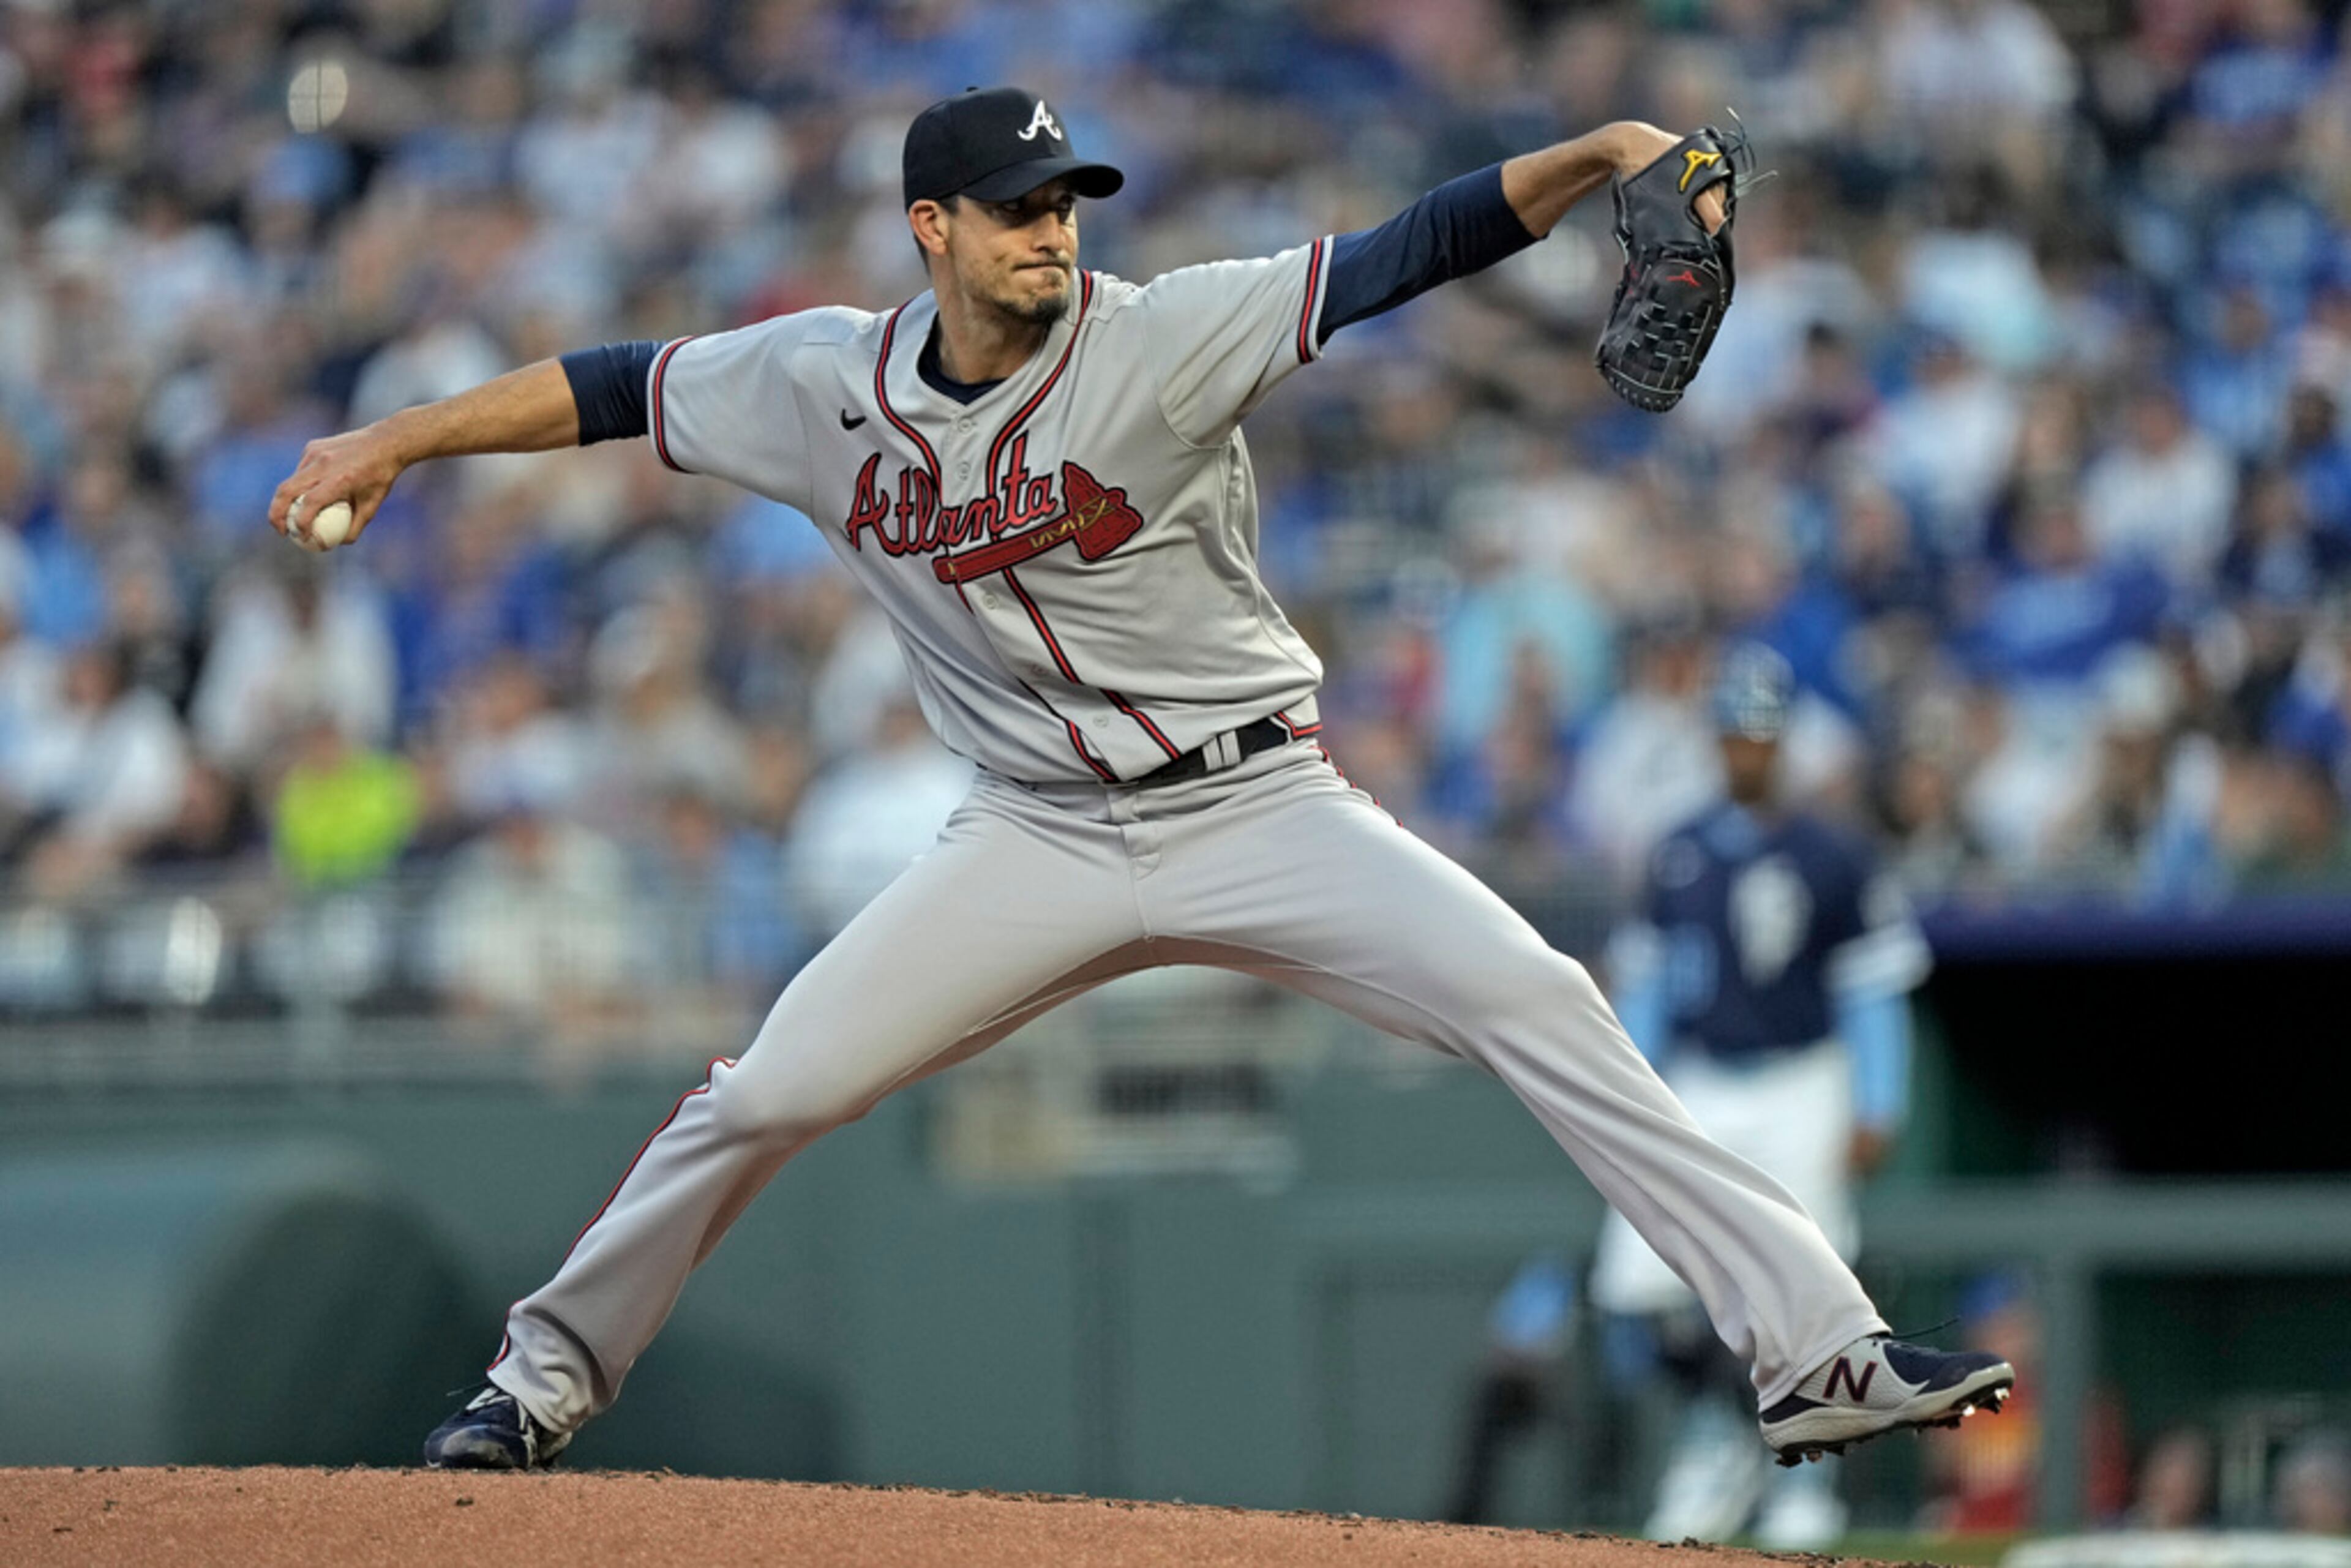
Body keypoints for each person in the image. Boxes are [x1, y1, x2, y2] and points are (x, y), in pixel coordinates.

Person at [268, 86, 2014, 1473]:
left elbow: (1415, 247)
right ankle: (540, 1384)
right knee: (772, 1090)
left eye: (1068, 201)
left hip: (1261, 807)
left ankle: (1818, 1353)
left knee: (1541, 997)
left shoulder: (1167, 330)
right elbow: (611, 388)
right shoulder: (820, 383)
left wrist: (1612, 153)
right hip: (1028, 833)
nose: (1054, 231)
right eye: (1020, 208)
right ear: (931, 230)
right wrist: (398, 438)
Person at [1591, 643, 1936, 1548]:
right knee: (1641, 1283)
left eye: (1761, 731)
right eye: (1735, 731)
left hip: (1801, 1074)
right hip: (1703, 1078)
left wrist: (1880, 1100)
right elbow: (1649, 991)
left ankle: (1803, 1468)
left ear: (1785, 739)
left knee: (1812, 1279)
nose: (1747, 748)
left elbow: (1872, 989)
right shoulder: (1678, 850)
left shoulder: (1835, 854)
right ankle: (1722, 1432)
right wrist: (1625, 1092)